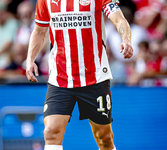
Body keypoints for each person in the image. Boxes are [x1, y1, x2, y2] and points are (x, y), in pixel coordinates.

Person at [26, 0, 133, 150]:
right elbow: (39, 30)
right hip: (60, 78)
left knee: (105, 138)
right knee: (51, 132)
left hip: (94, 78)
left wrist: (126, 39)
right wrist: (30, 59)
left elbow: (119, 18)